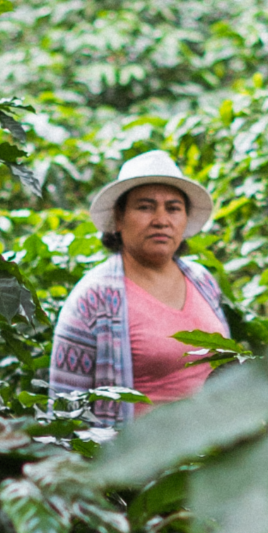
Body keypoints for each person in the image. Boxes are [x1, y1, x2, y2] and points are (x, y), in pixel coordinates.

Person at [49, 149, 229, 424]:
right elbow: (64, 410)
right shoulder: (93, 298)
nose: (161, 220)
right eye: (145, 207)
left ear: (185, 219)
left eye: (173, 208)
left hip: (216, 455)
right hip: (142, 461)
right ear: (118, 220)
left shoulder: (201, 280)